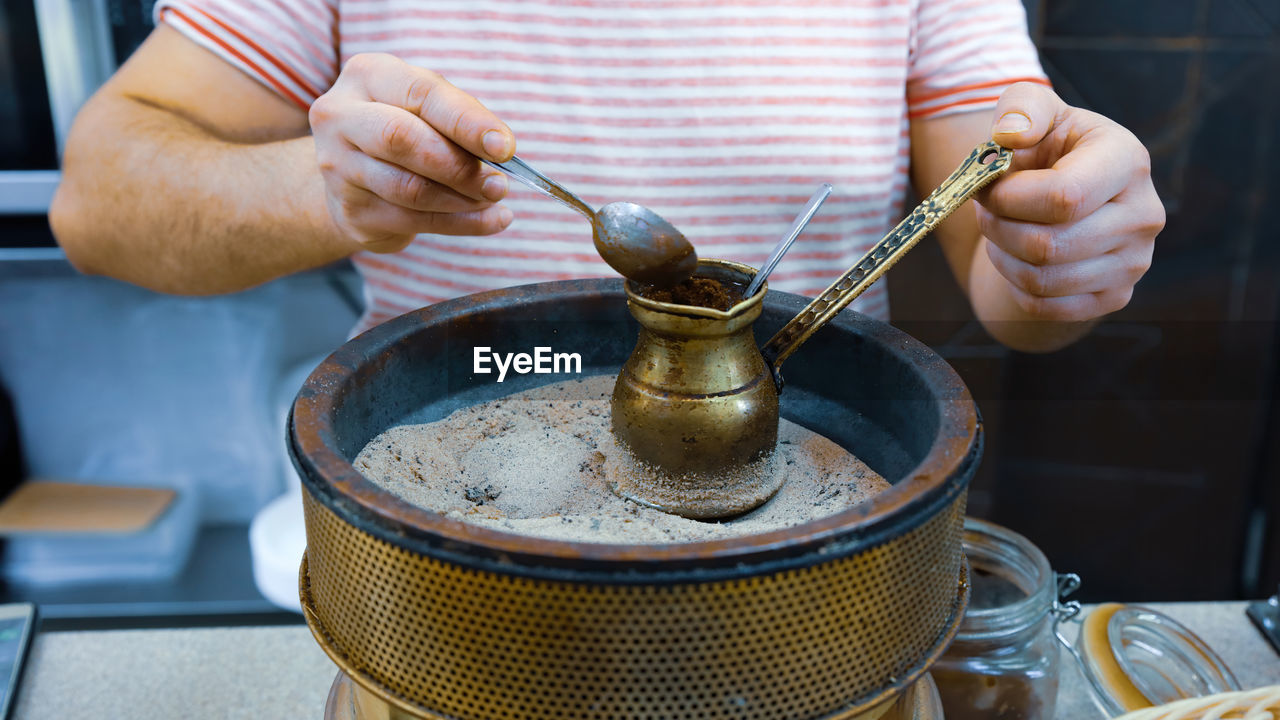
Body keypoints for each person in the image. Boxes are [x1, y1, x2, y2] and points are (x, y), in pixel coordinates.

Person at [50, 0, 1163, 352]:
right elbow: (98, 202)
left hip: (798, 511)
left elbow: (1005, 259)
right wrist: (321, 192)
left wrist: (1058, 244)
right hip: (453, 505)